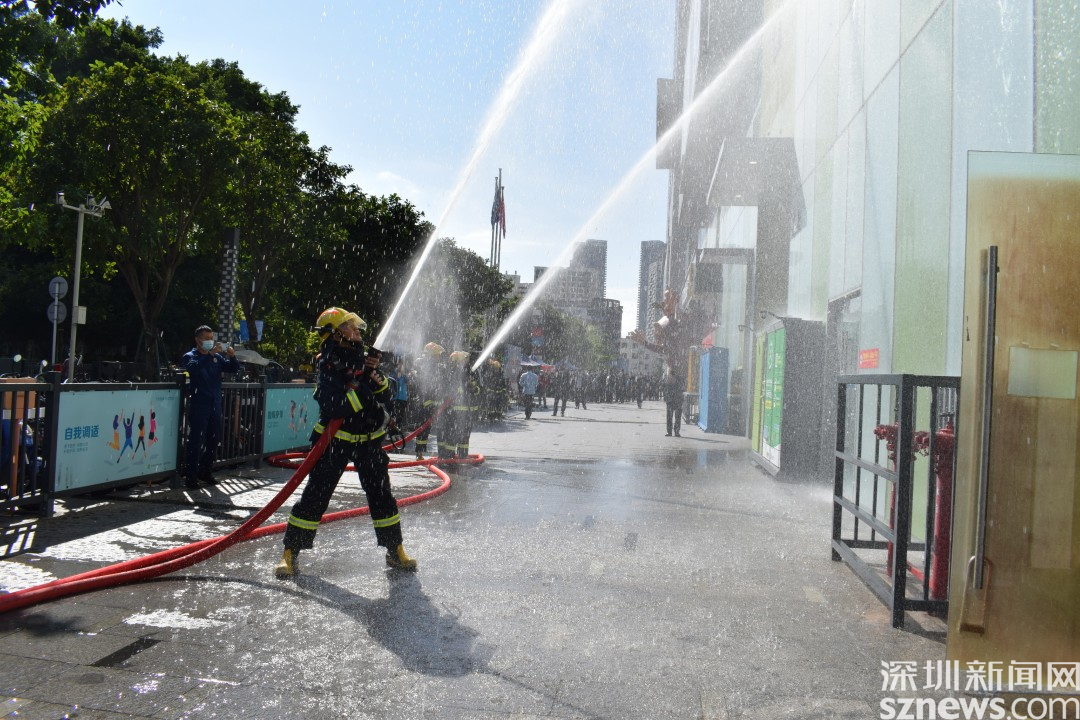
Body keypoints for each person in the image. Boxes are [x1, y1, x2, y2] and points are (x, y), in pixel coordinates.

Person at [274, 307, 416, 578]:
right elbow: (334, 405)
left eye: (355, 326)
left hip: (368, 441)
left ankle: (394, 549)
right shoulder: (328, 365)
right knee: (315, 496)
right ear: (335, 335)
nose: (356, 331)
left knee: (382, 496)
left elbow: (385, 396)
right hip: (335, 440)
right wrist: (361, 393)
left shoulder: (364, 362)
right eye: (349, 327)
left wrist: (377, 382)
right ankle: (290, 552)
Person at [181, 326, 239, 487]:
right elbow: (194, 369)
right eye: (207, 338)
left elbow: (233, 368)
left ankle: (205, 471)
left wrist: (232, 357)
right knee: (196, 440)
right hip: (200, 403)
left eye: (211, 338)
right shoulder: (190, 356)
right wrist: (211, 354)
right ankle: (190, 476)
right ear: (198, 340)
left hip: (215, 404)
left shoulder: (217, 358)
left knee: (214, 439)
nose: (210, 341)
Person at [411, 342, 445, 460]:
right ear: (432, 354)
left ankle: (441, 454)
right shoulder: (423, 364)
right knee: (423, 428)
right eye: (437, 354)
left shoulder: (436, 366)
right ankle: (419, 453)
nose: (439, 356)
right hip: (424, 403)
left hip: (435, 403)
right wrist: (426, 401)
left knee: (434, 428)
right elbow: (419, 384)